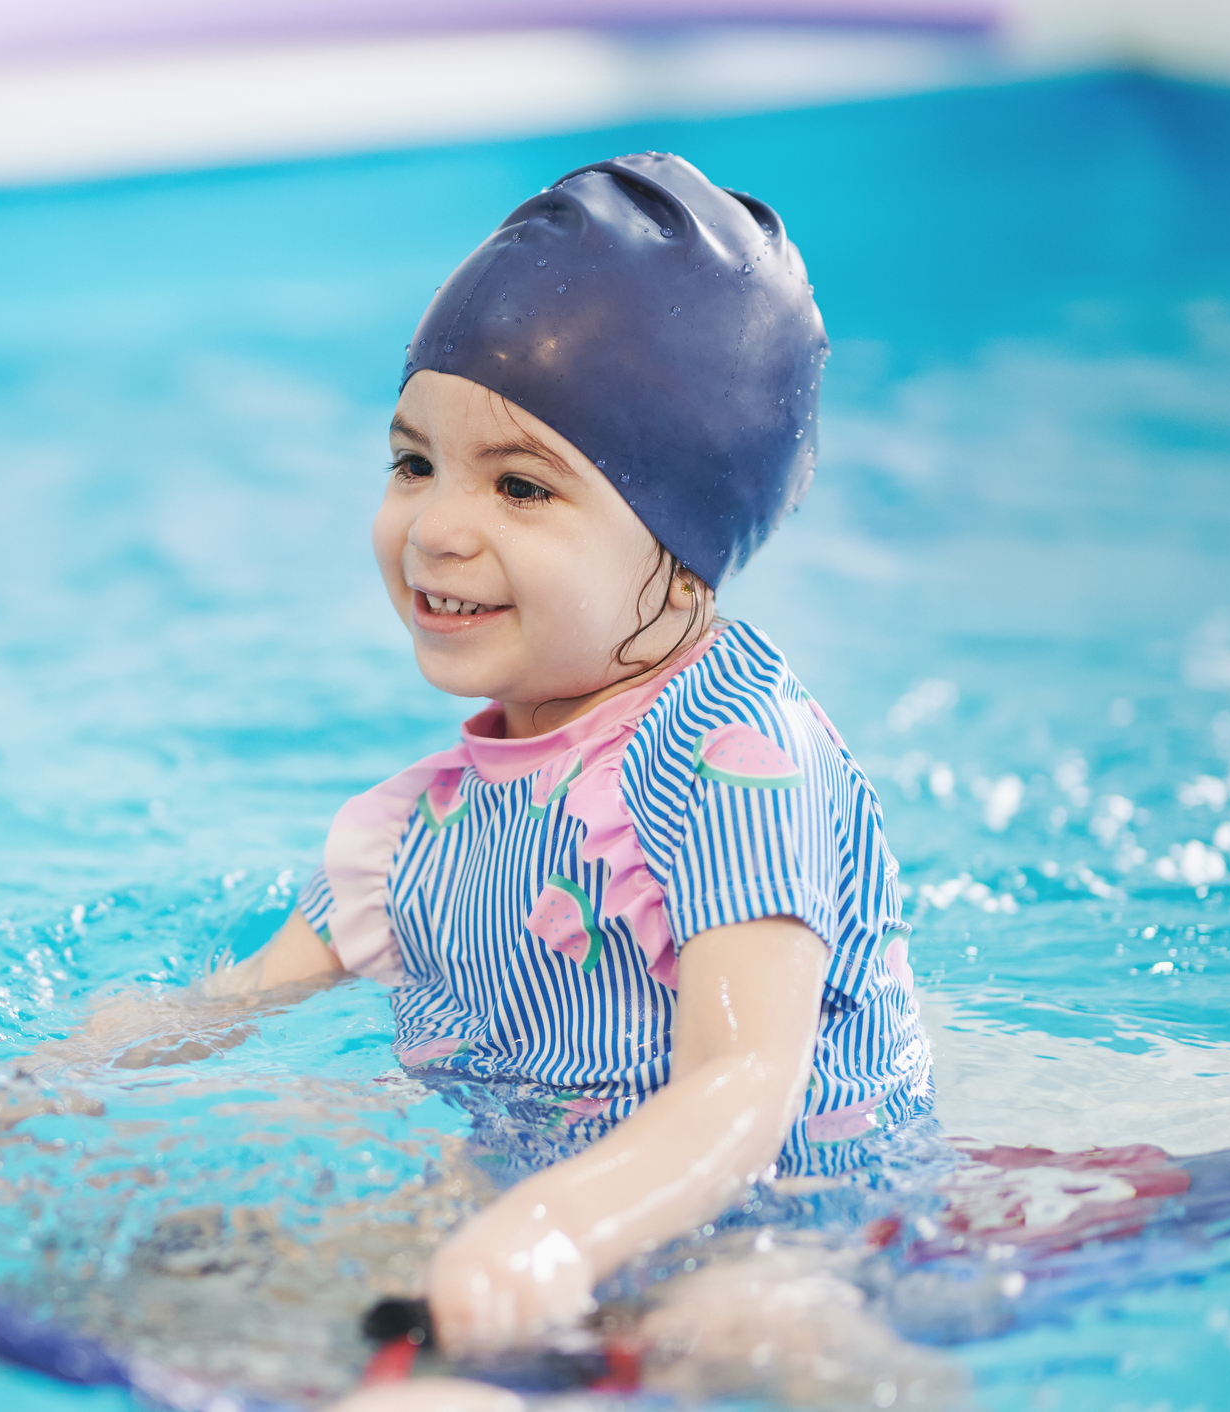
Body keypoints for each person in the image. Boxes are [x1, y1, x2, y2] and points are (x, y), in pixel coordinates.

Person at [192, 152, 933, 1362]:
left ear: (684, 535)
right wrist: (20, 1099)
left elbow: (745, 1089)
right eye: (412, 461)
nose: (435, 524)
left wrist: (549, 1234)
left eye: (522, 486)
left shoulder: (735, 754)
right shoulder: (424, 827)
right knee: (230, 1257)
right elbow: (215, 1010)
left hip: (782, 1227)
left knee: (752, 1335)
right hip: (533, 1221)